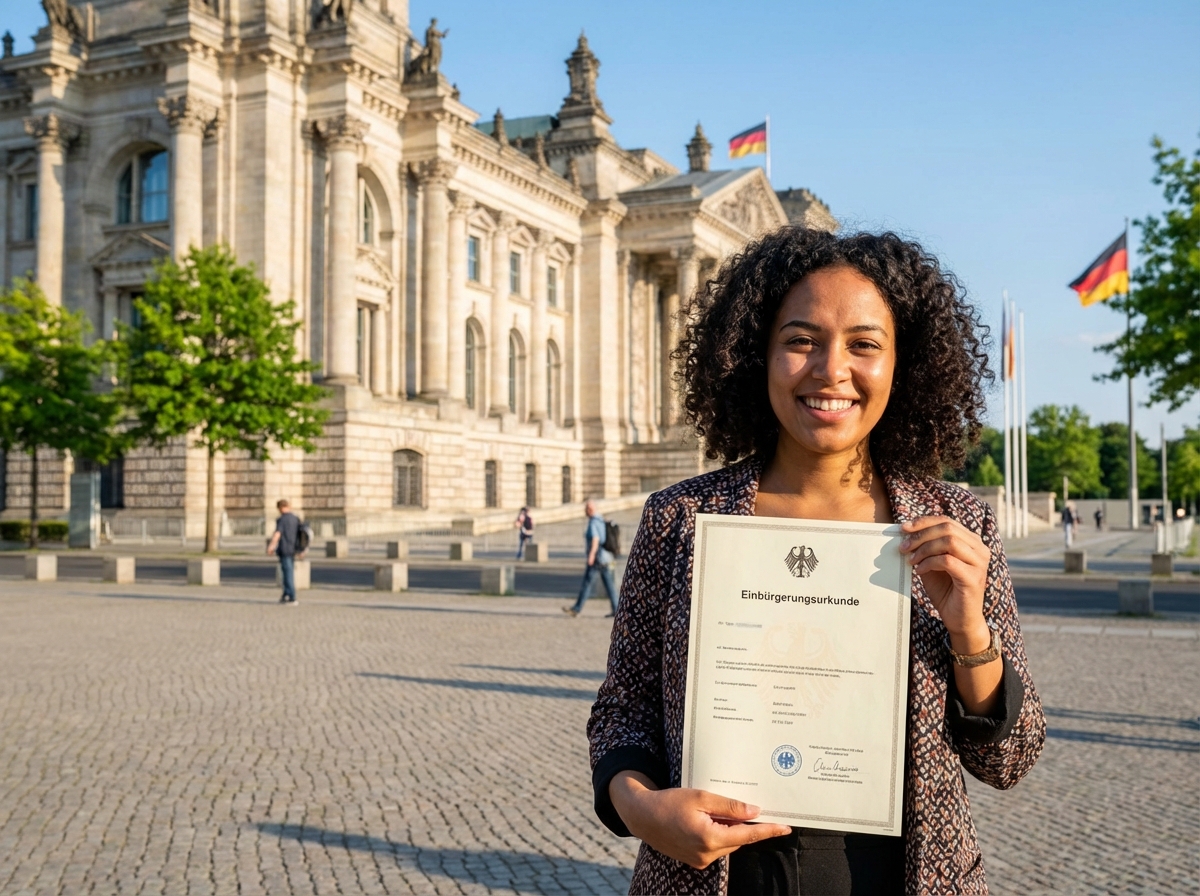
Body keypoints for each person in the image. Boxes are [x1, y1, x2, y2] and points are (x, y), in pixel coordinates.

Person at [587, 228, 1045, 894]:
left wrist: (969, 632)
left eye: (864, 344)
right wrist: (641, 808)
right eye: (801, 340)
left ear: (902, 364)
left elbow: (1007, 759)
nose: (831, 370)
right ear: (755, 356)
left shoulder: (955, 525)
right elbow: (623, 713)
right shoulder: (680, 521)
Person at [563, 499, 618, 618]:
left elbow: (595, 539)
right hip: (605, 558)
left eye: (586, 508)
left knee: (587, 584)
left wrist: (591, 556)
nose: (584, 511)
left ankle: (577, 609)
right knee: (609, 586)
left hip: (597, 558)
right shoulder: (601, 520)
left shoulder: (593, 522)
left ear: (589, 509)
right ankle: (617, 609)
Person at [266, 499, 304, 604]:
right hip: (293, 548)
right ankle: (286, 594)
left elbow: (278, 534)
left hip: (284, 548)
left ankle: (292, 596)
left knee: (287, 573)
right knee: (288, 571)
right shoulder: (295, 518)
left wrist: (271, 546)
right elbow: (301, 535)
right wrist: (302, 549)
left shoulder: (282, 519)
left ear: (280, 508)